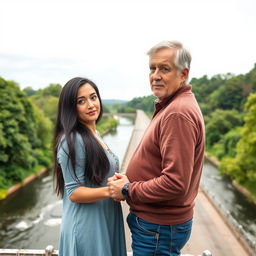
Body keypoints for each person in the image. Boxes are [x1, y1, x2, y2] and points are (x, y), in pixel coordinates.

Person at [108, 41, 205, 256]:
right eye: (152, 68)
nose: (156, 75)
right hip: (158, 228)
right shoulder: (172, 106)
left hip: (158, 228)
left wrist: (127, 189)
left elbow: (175, 182)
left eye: (165, 68)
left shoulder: (177, 113)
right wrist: (130, 177)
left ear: (183, 74)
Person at [53, 77, 127, 256]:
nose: (91, 105)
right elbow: (74, 193)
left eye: (93, 97)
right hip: (88, 228)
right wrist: (112, 191)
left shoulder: (94, 134)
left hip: (105, 218)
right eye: (81, 101)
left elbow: (101, 175)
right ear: (71, 108)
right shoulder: (71, 140)